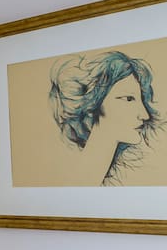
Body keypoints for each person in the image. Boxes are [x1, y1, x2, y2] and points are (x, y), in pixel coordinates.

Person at [47, 51, 161, 185]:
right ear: (92, 104)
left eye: (140, 100)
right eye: (129, 99)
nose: (145, 115)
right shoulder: (78, 181)